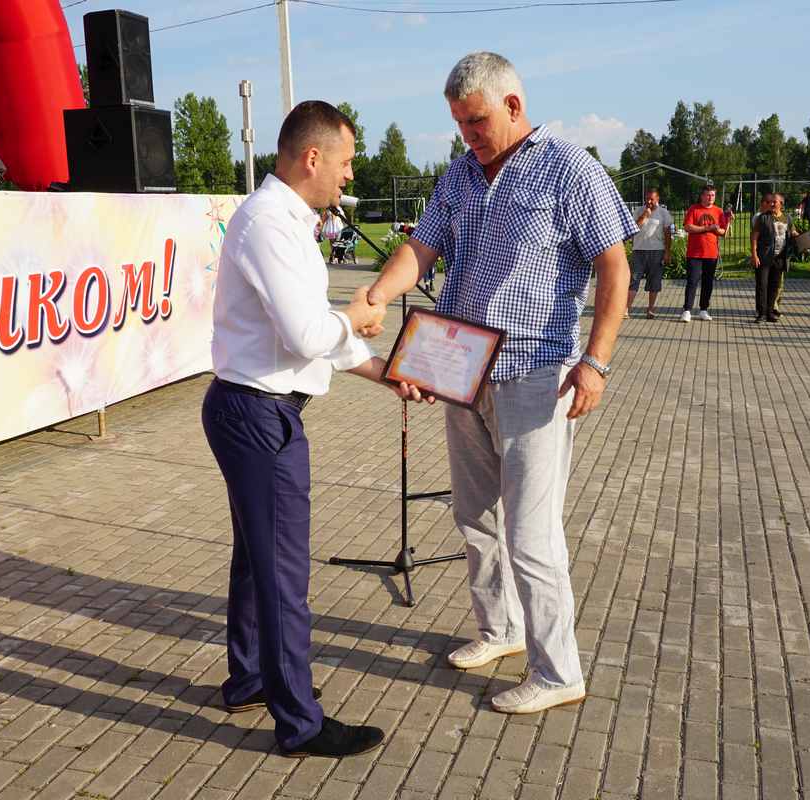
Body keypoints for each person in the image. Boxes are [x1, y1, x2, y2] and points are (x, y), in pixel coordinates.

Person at [368, 52, 635, 715]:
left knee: (530, 532)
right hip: (460, 369)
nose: (468, 135)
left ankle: (558, 670)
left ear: (514, 105)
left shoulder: (569, 169)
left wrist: (596, 362)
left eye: (477, 121)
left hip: (535, 375)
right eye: (459, 123)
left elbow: (615, 269)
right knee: (475, 517)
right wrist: (375, 295)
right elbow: (420, 249)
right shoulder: (460, 174)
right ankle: (501, 629)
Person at [202, 100, 430, 758]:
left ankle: (251, 678)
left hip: (255, 408)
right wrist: (358, 314)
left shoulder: (286, 221)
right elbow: (310, 334)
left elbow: (310, 337)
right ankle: (299, 722)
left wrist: (387, 372)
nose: (349, 174)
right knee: (282, 570)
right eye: (346, 161)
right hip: (257, 414)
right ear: (312, 157)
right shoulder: (269, 224)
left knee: (257, 560)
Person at [681, 186, 728, 322]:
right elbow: (688, 227)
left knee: (708, 283)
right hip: (694, 253)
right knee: (692, 281)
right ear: (702, 196)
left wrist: (717, 229)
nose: (710, 198)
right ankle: (687, 310)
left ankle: (703, 309)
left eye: (712, 195)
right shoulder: (694, 209)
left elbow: (723, 231)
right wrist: (708, 228)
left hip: (711, 253)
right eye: (707, 195)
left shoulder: (718, 211)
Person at [626, 188, 672, 319]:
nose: (649, 201)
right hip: (639, 250)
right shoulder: (638, 211)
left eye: (652, 199)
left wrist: (667, 252)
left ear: (657, 199)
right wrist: (644, 215)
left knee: (654, 282)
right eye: (647, 199)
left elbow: (667, 234)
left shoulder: (663, 213)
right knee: (634, 279)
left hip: (657, 251)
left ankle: (650, 309)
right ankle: (626, 309)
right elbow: (633, 228)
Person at [750, 192, 794, 322]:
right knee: (762, 285)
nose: (772, 204)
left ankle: (770, 312)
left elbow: (792, 232)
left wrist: (802, 239)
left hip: (780, 258)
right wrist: (754, 254)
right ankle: (761, 313)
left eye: (775, 202)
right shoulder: (763, 218)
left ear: (781, 204)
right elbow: (754, 237)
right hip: (764, 256)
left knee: (774, 286)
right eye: (770, 202)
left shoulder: (787, 218)